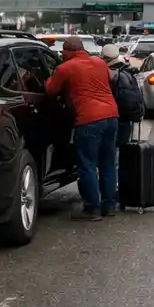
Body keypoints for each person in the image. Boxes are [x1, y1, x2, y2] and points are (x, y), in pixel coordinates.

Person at [44, 35, 120, 221]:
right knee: (107, 163)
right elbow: (111, 78)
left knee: (87, 165)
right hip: (111, 116)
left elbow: (50, 90)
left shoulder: (65, 68)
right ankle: (109, 206)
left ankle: (92, 209)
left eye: (63, 52)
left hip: (89, 120)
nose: (61, 55)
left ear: (68, 52)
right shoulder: (99, 62)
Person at [103, 43, 144, 174]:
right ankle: (123, 180)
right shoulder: (126, 71)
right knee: (122, 151)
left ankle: (114, 183)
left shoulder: (112, 75)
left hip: (117, 118)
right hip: (127, 118)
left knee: (112, 153)